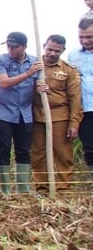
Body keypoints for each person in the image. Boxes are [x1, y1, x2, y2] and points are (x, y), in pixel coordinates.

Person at [0, 31, 43, 194]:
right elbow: (4, 83)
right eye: (8, 46)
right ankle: (6, 190)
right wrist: (28, 73)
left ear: (24, 47)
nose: (11, 50)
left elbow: (38, 86)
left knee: (23, 150)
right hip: (3, 114)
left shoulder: (36, 62)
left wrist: (42, 88)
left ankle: (24, 189)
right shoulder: (0, 60)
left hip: (25, 113)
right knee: (3, 150)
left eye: (15, 47)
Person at [31, 35, 82, 194]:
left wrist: (74, 123)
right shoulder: (33, 65)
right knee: (38, 154)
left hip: (60, 117)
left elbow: (75, 98)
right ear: (44, 46)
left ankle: (62, 190)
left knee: (63, 155)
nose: (52, 53)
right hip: (37, 117)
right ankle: (42, 189)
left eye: (57, 51)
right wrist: (36, 89)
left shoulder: (69, 70)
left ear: (63, 51)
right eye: (50, 49)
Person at [69, 18, 93, 185]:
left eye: (90, 37)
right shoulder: (73, 55)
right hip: (85, 109)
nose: (85, 41)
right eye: (81, 37)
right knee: (90, 149)